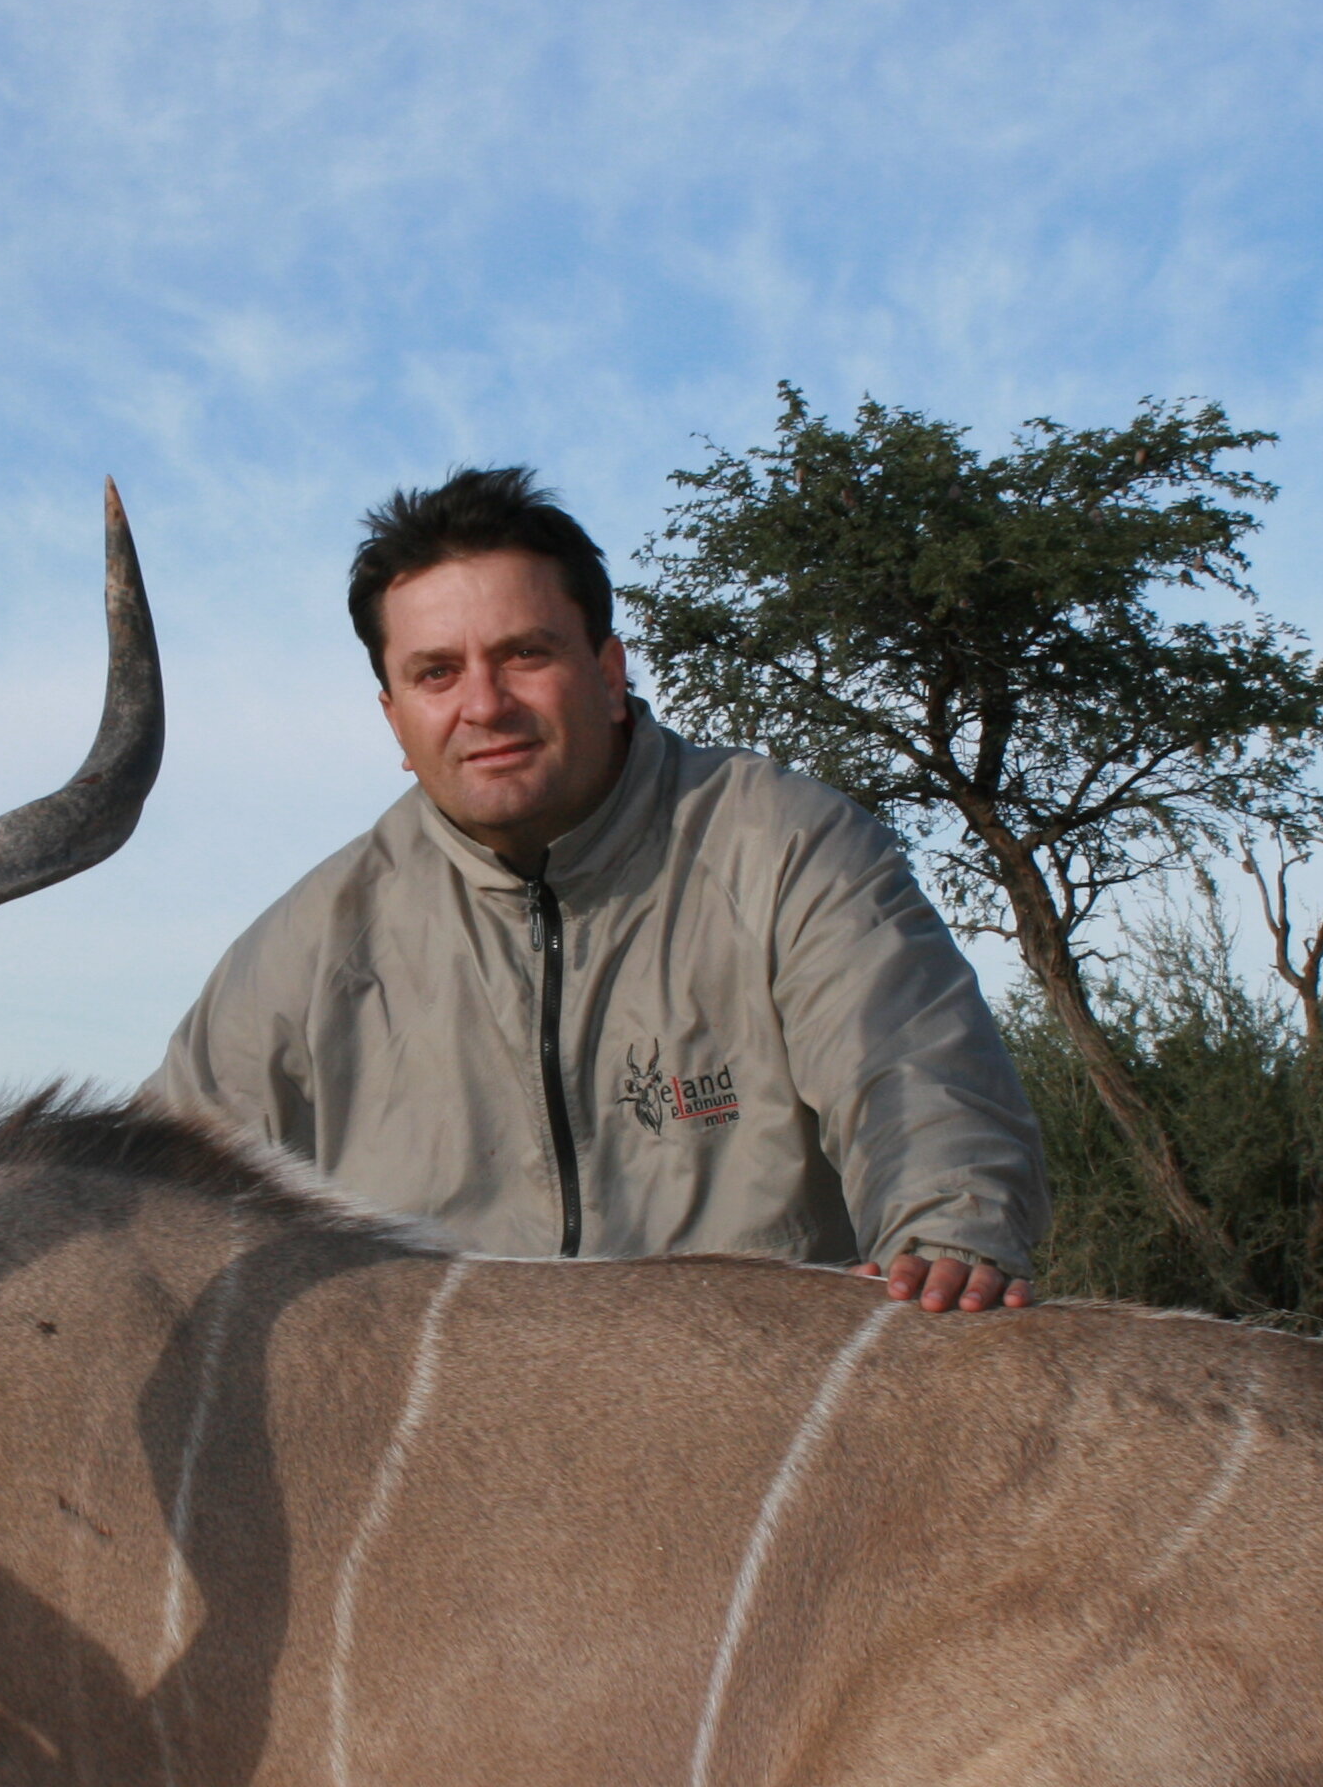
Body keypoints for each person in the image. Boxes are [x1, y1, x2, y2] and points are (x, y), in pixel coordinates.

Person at [151, 466, 1047, 1310]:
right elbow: (150, 1193)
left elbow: (912, 1076)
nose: (485, 704)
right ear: (394, 716)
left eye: (525, 654)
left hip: (764, 1409)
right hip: (450, 1443)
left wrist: (946, 1237)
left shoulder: (780, 841)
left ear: (610, 674)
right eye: (436, 673)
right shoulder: (310, 943)